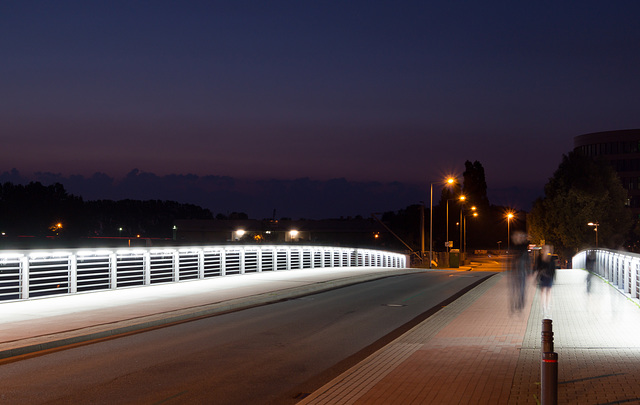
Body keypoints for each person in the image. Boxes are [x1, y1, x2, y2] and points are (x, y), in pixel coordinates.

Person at [508, 231, 530, 313]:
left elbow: (527, 260)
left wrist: (528, 271)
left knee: (521, 289)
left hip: (522, 272)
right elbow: (509, 260)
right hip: (514, 272)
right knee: (514, 289)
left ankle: (520, 304)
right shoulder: (513, 248)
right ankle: (514, 304)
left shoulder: (523, 248)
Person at [536, 245, 557, 319]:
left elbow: (553, 269)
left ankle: (547, 306)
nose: (546, 251)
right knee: (543, 291)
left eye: (547, 249)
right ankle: (543, 307)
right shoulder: (540, 258)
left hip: (549, 277)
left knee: (548, 292)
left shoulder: (551, 259)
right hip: (543, 277)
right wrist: (536, 277)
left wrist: (554, 278)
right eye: (544, 249)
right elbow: (537, 268)